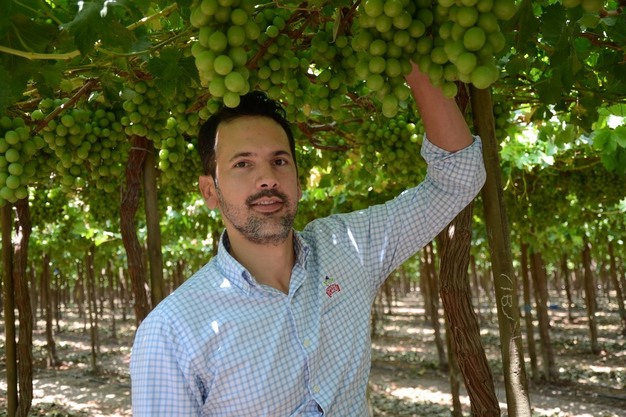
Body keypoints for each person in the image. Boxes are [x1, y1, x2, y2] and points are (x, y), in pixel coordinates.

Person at [130, 63, 486, 416]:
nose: (267, 179)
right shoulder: (172, 332)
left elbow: (459, 179)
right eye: (243, 164)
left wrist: (415, 64)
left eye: (280, 161)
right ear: (210, 191)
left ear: (299, 183)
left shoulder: (348, 249)